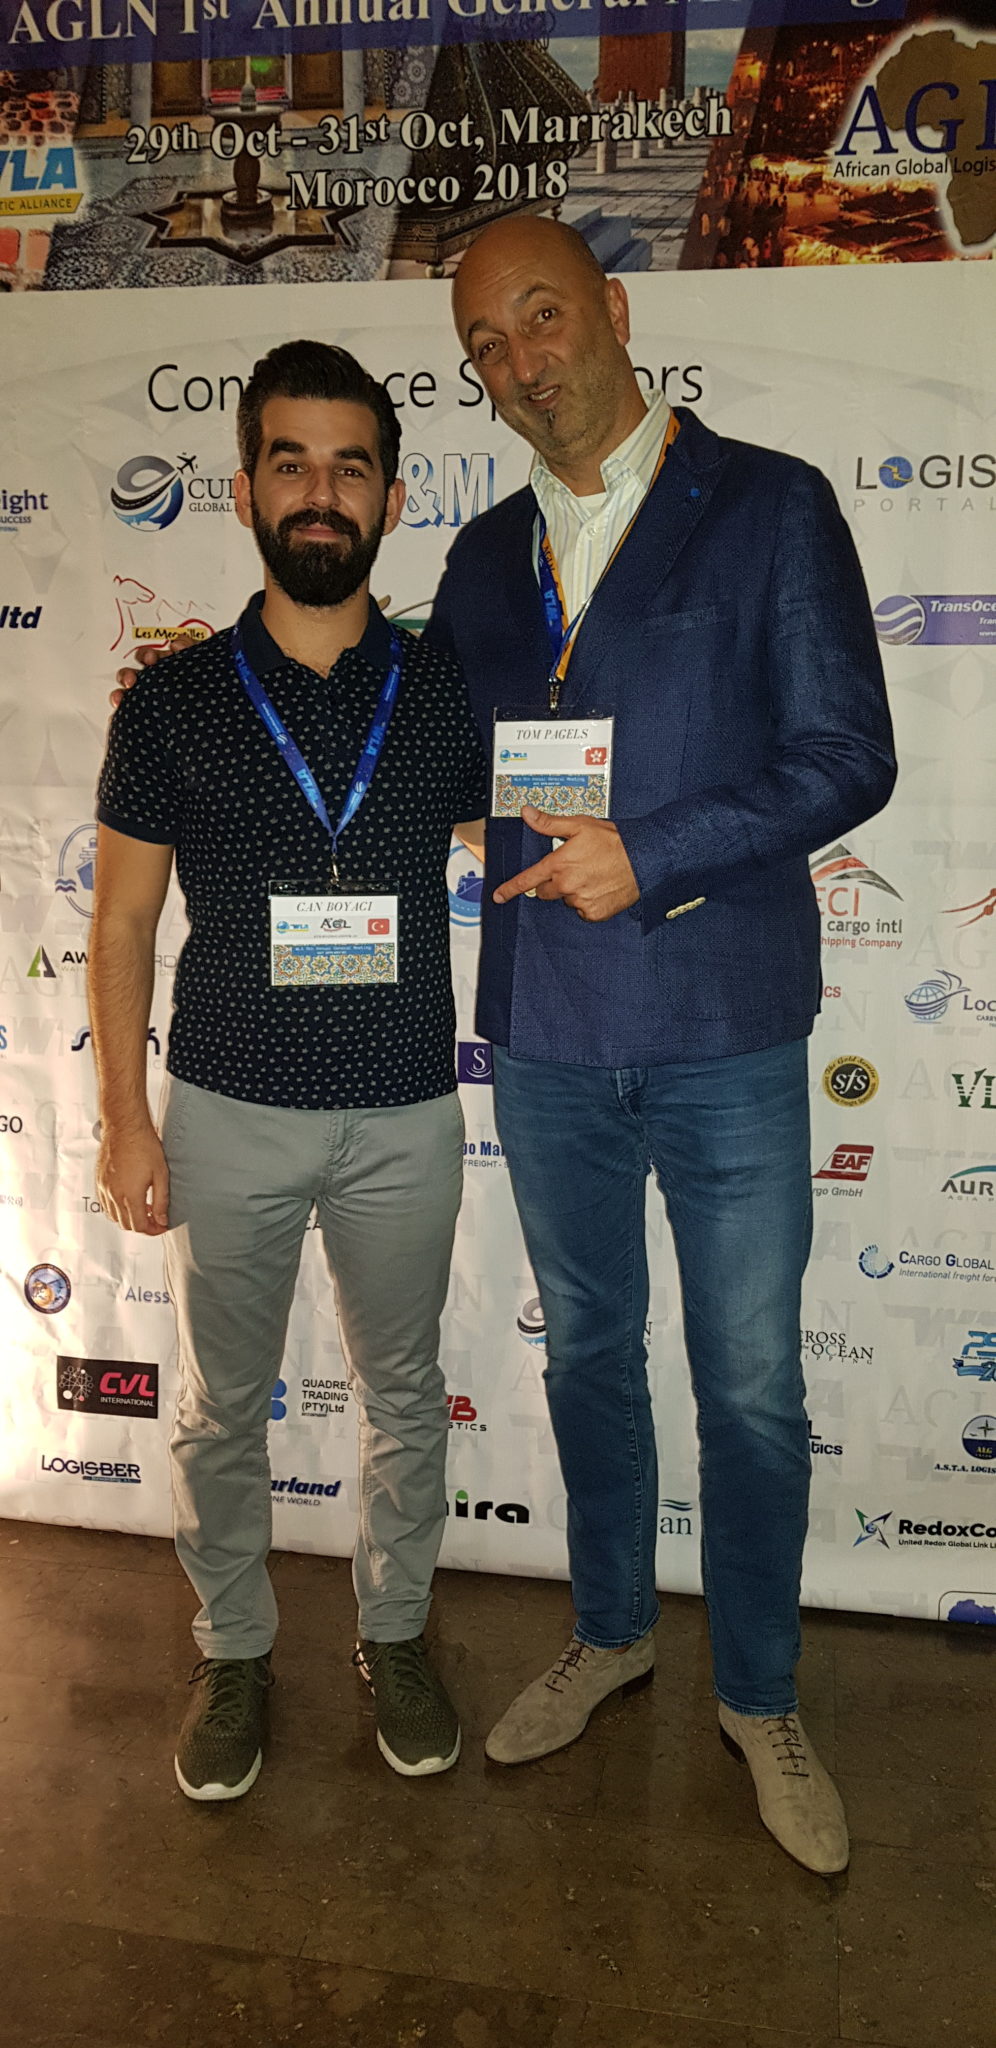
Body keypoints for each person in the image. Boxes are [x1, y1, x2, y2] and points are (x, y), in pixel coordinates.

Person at [425, 216, 897, 1875]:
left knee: (753, 1382)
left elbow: (847, 753)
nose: (521, 362)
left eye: (542, 318)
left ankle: (760, 1695)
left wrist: (659, 850)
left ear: (616, 311)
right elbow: (450, 755)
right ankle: (612, 1631)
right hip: (547, 1027)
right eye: (487, 345)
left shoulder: (770, 506)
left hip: (722, 1026)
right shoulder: (481, 561)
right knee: (586, 1352)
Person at [90, 341, 488, 1799]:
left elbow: (529, 840)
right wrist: (123, 1122)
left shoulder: (447, 689)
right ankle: (236, 1646)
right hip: (229, 1107)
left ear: (391, 497)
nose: (322, 492)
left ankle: (395, 1632)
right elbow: (121, 922)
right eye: (293, 463)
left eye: (351, 467)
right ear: (245, 486)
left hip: (404, 1107)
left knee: (405, 1395)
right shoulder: (174, 700)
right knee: (218, 1408)